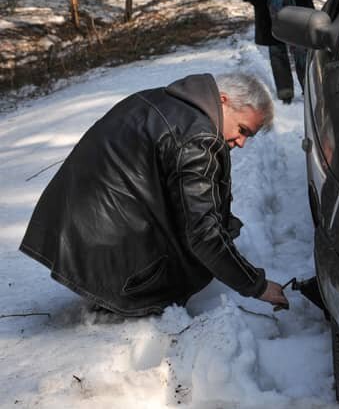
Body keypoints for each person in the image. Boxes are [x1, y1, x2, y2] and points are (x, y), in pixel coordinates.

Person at [19, 72, 290, 316]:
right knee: (194, 261)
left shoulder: (159, 98)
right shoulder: (198, 138)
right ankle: (131, 298)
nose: (240, 143)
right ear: (223, 100)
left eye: (248, 136)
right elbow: (203, 234)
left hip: (71, 233)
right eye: (242, 130)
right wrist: (257, 285)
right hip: (108, 252)